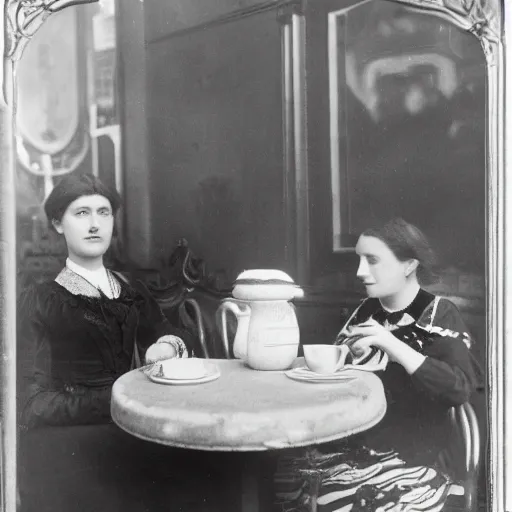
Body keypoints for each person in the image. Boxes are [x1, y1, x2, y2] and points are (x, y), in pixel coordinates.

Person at [17, 173, 222, 512]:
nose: (95, 224)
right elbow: (32, 406)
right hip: (66, 443)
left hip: (126, 428)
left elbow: (178, 333)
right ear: (57, 223)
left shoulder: (130, 292)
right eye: (81, 213)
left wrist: (167, 345)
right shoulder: (41, 300)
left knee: (208, 468)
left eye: (104, 212)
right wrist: (121, 398)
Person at [274, 218, 482, 512]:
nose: (360, 271)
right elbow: (341, 370)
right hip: (355, 445)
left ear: (409, 265)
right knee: (282, 476)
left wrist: (391, 343)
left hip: (412, 457)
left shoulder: (439, 314)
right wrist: (346, 356)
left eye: (372, 260)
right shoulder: (366, 309)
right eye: (359, 259)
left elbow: (459, 389)